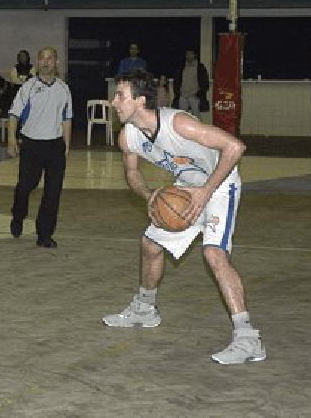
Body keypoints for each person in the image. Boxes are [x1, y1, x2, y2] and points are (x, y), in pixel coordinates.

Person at [102, 69, 265, 366]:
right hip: (186, 190)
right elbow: (132, 173)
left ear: (140, 100)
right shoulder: (128, 136)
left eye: (120, 95)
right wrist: (149, 195)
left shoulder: (178, 123)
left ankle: (248, 338)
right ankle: (145, 309)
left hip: (220, 183)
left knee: (215, 254)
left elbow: (234, 147)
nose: (114, 102)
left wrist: (205, 192)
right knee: (150, 245)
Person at [6, 46, 73, 248]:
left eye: (50, 58)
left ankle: (44, 234)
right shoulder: (28, 87)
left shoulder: (64, 89)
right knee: (25, 187)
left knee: (53, 193)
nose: (46, 62)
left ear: (57, 63)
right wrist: (11, 140)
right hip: (31, 145)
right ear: (37, 62)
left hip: (55, 147)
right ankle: (18, 215)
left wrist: (66, 146)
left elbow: (67, 118)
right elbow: (13, 115)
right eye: (42, 58)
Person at [173, 49, 210, 117]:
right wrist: (178, 92)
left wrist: (200, 93)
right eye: (187, 54)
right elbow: (176, 80)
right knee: (182, 116)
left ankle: (198, 127)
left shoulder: (200, 67)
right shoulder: (182, 66)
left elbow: (205, 82)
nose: (189, 56)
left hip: (194, 96)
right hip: (183, 95)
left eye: (191, 54)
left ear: (195, 55)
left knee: (196, 117)